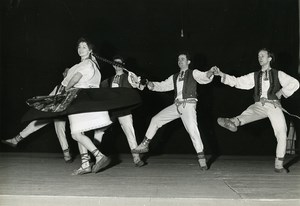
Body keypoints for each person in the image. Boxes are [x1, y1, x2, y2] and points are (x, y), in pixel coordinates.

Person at [214, 48, 299, 173]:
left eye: (262, 56)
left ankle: (279, 165)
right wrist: (222, 74)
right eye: (258, 56)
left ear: (269, 58)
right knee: (249, 112)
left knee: (282, 132)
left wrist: (281, 92)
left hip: (273, 105)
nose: (259, 58)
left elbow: (295, 83)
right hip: (259, 104)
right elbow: (238, 81)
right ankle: (233, 121)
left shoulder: (278, 73)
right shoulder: (254, 75)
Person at [132, 52, 216, 170]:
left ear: (188, 62)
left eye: (182, 59)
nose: (179, 61)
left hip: (188, 105)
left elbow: (204, 76)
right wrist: (147, 83)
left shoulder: (194, 73)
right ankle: (144, 145)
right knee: (156, 119)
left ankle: (202, 159)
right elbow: (162, 86)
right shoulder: (175, 76)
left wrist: (211, 71)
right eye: (178, 59)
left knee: (193, 131)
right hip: (176, 106)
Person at [1, 72, 72, 163]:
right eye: (64, 72)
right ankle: (15, 140)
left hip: (62, 112)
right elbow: (49, 98)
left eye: (67, 72)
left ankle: (67, 154)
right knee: (35, 123)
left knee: (60, 130)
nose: (64, 73)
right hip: (51, 111)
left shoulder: (73, 87)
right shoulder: (58, 87)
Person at [93, 56, 145, 167]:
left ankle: (136, 158)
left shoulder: (128, 77)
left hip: (124, 109)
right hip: (112, 111)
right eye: (114, 63)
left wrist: (137, 81)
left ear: (123, 64)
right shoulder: (109, 80)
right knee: (99, 131)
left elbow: (139, 86)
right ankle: (95, 156)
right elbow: (97, 87)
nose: (116, 64)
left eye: (119, 63)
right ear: (112, 65)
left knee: (130, 133)